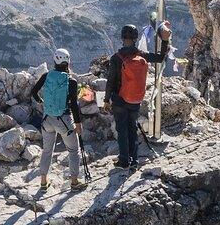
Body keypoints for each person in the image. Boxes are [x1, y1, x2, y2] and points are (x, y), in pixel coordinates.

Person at [103, 22, 172, 169]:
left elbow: (111, 80)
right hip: (135, 99)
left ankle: (123, 161)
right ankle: (134, 161)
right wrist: (165, 41)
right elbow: (161, 58)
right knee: (132, 128)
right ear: (135, 38)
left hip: (119, 99)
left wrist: (106, 99)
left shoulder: (116, 58)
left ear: (122, 38)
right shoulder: (141, 55)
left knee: (122, 130)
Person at [30, 48, 86, 191]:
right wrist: (78, 124)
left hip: (47, 119)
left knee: (47, 150)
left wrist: (41, 101)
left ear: (55, 60)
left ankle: (43, 182)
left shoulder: (46, 75)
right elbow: (74, 104)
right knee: (73, 150)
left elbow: (33, 92)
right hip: (64, 121)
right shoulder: (71, 81)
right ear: (68, 61)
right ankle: (74, 181)